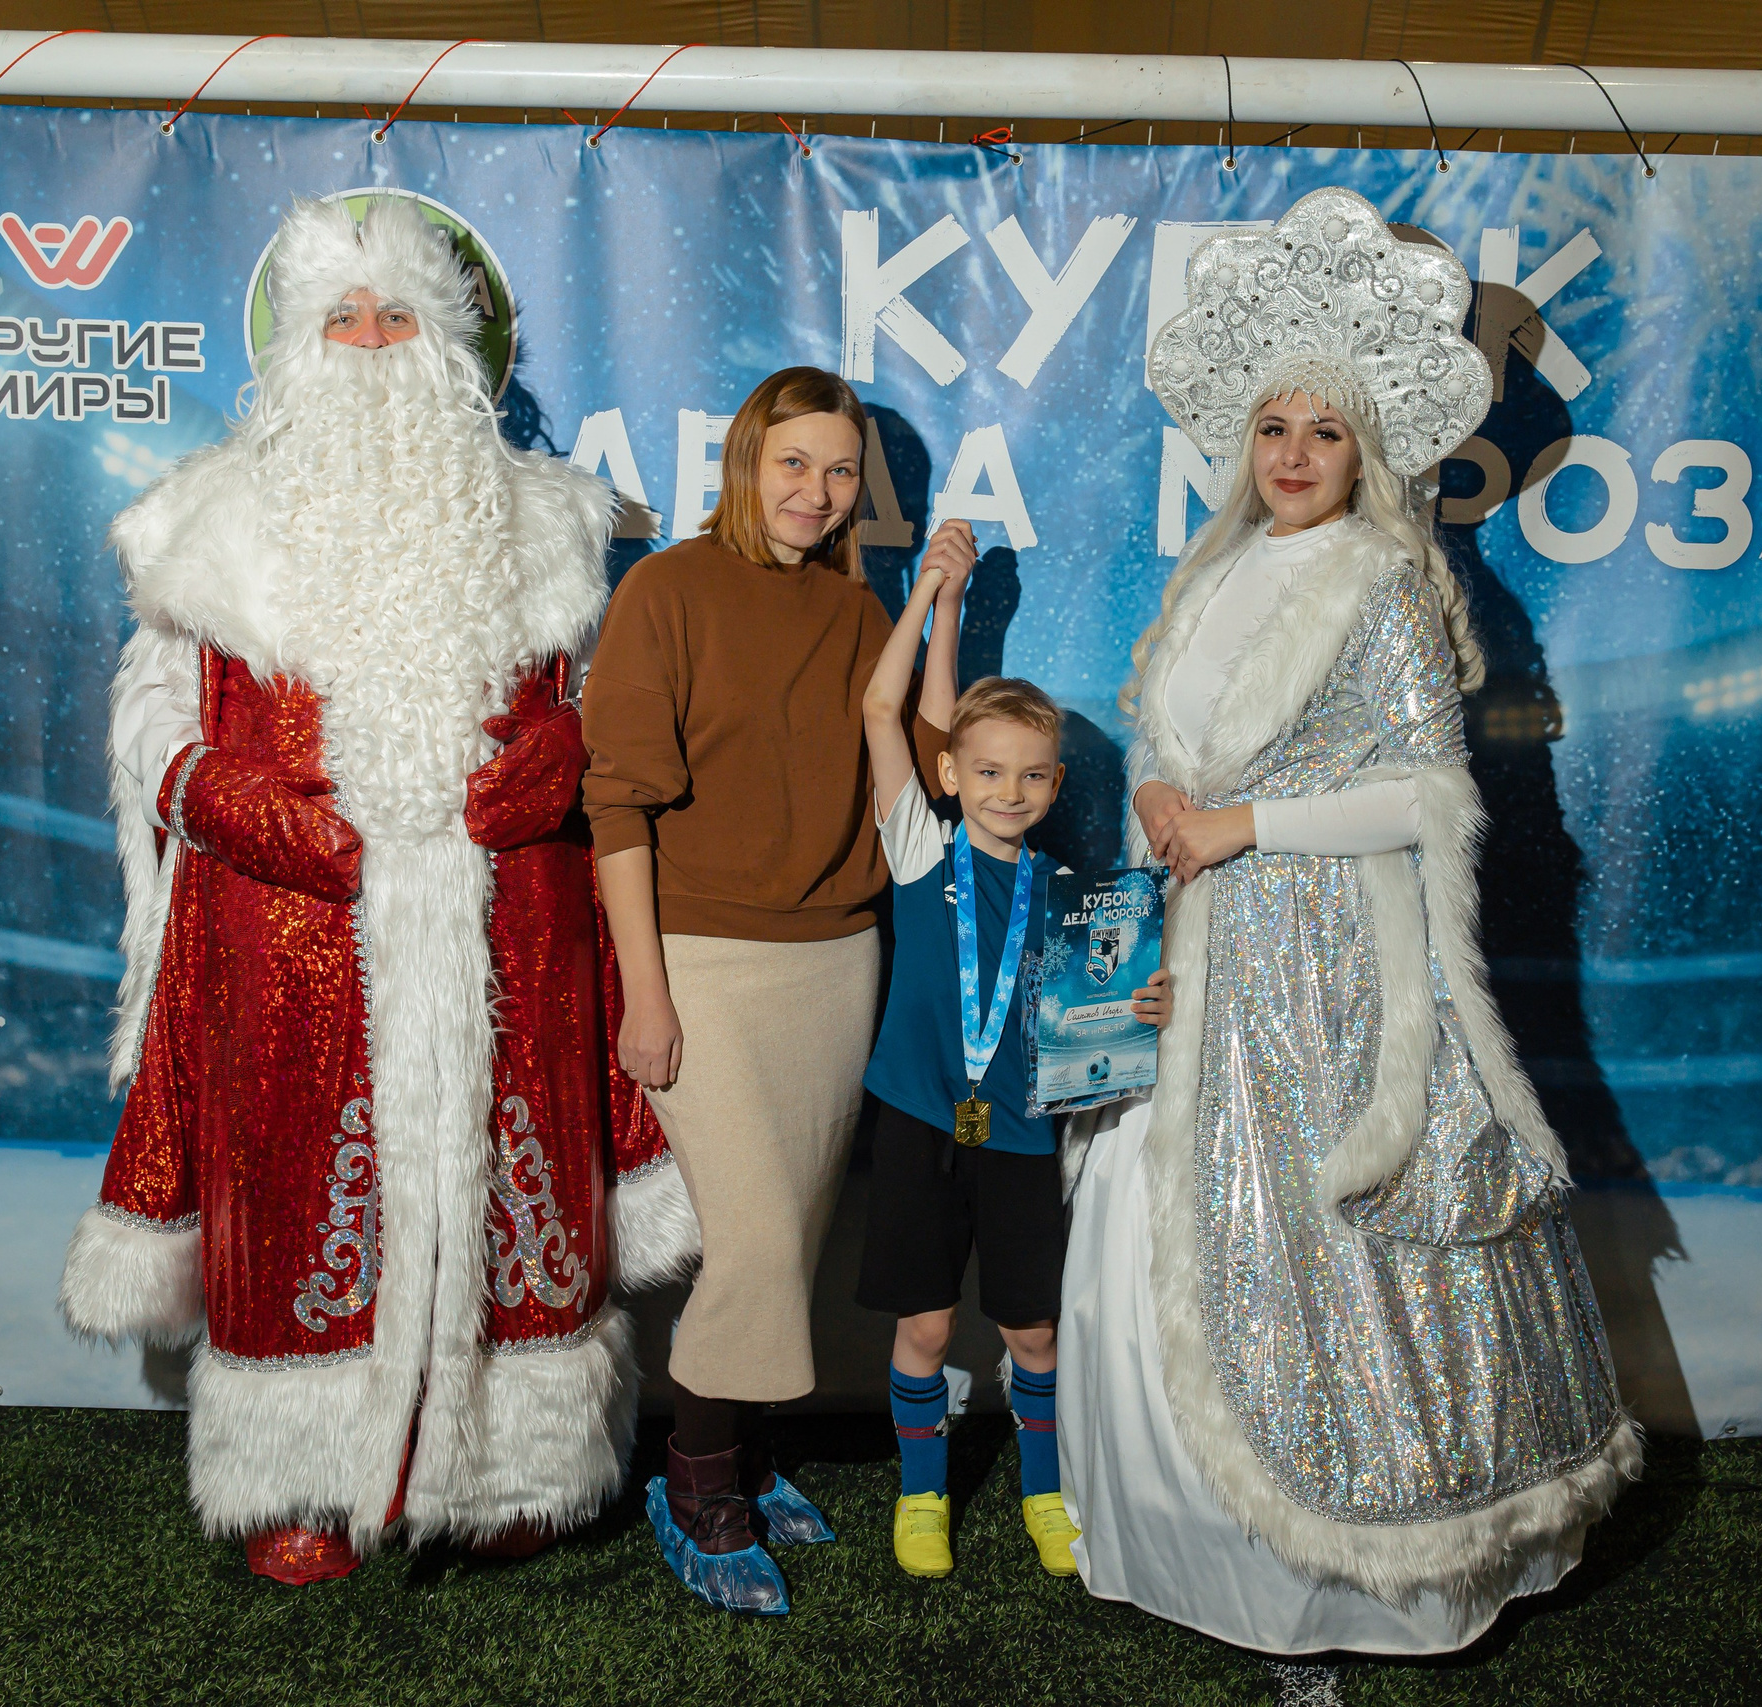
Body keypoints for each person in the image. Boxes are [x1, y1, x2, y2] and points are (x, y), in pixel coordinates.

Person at [57, 196, 696, 1585]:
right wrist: (234, 805)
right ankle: (302, 1473)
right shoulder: (205, 521)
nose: (367, 340)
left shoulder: (551, 520)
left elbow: (604, 702)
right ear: (295, 343)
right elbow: (153, 714)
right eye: (341, 318)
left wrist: (553, 763)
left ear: (447, 343)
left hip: (506, 918)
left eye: (396, 315)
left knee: (515, 1183)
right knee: (296, 1188)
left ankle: (515, 1466)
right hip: (288, 923)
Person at [1058, 187, 1639, 1653]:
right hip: (1202, 946)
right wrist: (1164, 797)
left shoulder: (1386, 580)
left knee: (1324, 1246)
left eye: (1323, 432)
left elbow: (1430, 795)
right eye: (1274, 427)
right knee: (1167, 1228)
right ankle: (1196, 1554)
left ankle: (1363, 1578)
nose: (1295, 454)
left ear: (1363, 448)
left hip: (1326, 970)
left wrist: (1242, 825)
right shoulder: (1210, 573)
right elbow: (1167, 747)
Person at [581, 366, 950, 1615]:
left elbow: (929, 770)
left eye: (840, 471)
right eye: (794, 462)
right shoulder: (666, 589)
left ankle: (743, 1451)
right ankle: (694, 1486)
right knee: (750, 1239)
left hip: (838, 959)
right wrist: (645, 993)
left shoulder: (856, 610)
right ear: (746, 461)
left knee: (793, 1230)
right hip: (705, 961)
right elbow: (616, 804)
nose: (816, 490)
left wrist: (942, 607)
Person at [852, 523, 1171, 1582]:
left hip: (1023, 1138)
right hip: (919, 1125)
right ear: (950, 771)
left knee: (1033, 1333)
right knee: (927, 1327)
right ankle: (922, 1495)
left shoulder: (1074, 900)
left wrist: (1147, 1001)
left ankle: (1044, 1491)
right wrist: (929, 593)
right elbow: (879, 709)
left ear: (1056, 784)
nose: (1009, 791)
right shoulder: (919, 850)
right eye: (987, 771)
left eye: (1033, 776)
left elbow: (1107, 1018)